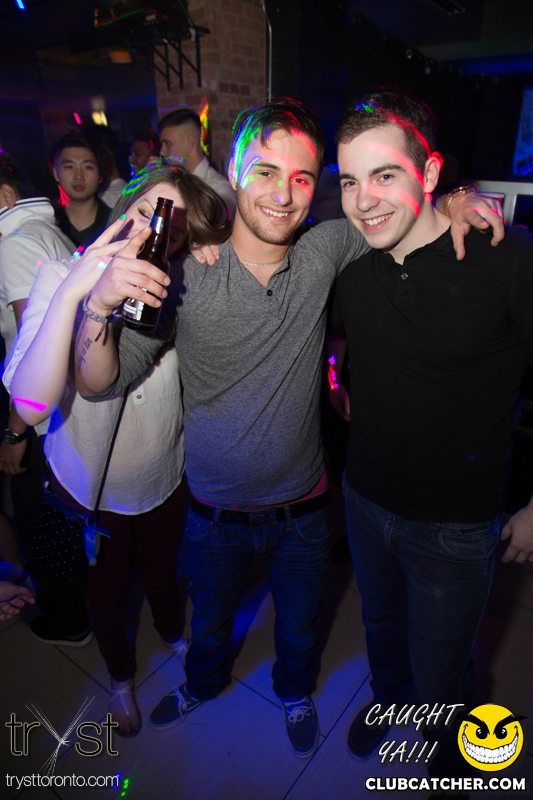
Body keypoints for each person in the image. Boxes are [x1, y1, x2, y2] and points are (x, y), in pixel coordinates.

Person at [72, 98, 503, 758]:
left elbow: (403, 207)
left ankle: (295, 692)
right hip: (213, 513)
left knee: (301, 627)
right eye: (266, 172)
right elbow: (100, 379)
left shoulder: (326, 248)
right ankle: (202, 683)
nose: (282, 194)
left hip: (303, 512)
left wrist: (457, 197)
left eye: (301, 177)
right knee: (209, 623)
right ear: (232, 171)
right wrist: (95, 310)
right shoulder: (185, 274)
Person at [329, 89, 533, 774]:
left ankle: (448, 764)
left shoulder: (506, 261)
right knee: (382, 632)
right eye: (349, 181)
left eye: (384, 174)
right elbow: (336, 337)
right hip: (364, 501)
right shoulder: (352, 268)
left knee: (443, 670)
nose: (363, 201)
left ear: (430, 171)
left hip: (454, 526)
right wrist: (336, 374)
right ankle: (391, 703)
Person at [5, 164, 230, 736]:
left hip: (164, 475)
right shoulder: (62, 274)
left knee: (163, 573)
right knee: (106, 595)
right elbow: (29, 404)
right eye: (144, 212)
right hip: (93, 484)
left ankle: (174, 636)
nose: (151, 230)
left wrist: (208, 256)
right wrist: (82, 294)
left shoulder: (177, 283)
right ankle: (121, 678)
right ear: (123, 207)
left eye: (171, 228)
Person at [0, 152, 81, 638]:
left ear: (6, 196)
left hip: (36, 413)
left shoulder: (14, 243)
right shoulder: (46, 230)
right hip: (61, 404)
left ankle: (69, 619)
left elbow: (29, 345)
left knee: (39, 519)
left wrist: (14, 432)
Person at [159, 108, 236, 219]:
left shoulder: (219, 190)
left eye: (167, 143)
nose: (161, 151)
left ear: (190, 141)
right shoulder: (173, 183)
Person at [52, 133, 111, 248]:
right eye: (69, 167)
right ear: (56, 173)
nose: (78, 176)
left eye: (88, 167)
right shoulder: (47, 224)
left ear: (100, 174)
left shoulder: (115, 223)